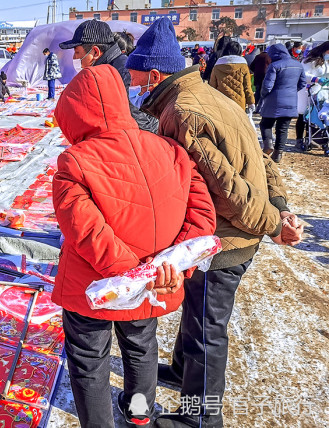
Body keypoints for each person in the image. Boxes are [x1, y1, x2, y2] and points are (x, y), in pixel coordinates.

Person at [125, 18, 304, 427]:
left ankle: (201, 419)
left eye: (136, 79)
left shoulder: (183, 112)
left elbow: (226, 188)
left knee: (207, 330)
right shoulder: (208, 95)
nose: (135, 88)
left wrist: (275, 221)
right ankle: (180, 369)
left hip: (225, 240)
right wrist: (278, 202)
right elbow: (260, 158)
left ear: (155, 75)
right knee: (195, 312)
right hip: (226, 233)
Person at [52, 64, 216, 428]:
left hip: (94, 288)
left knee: (89, 361)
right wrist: (168, 268)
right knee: (141, 346)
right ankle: (140, 414)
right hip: (155, 285)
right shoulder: (171, 150)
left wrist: (137, 275)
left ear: (74, 113)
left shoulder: (75, 161)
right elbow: (203, 216)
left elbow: (87, 233)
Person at [59, 19, 158, 133]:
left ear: (95, 52)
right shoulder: (104, 69)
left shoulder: (122, 72)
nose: (74, 58)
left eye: (77, 53)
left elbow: (135, 115)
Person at [259, 44, 306, 163]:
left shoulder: (274, 66)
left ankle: (268, 144)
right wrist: (291, 92)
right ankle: (278, 153)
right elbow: (302, 83)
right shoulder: (298, 65)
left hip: (273, 101)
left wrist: (263, 95)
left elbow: (267, 86)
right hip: (291, 101)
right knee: (283, 128)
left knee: (266, 124)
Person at [296, 41, 329, 153]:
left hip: (318, 91)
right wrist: (316, 79)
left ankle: (310, 138)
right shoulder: (308, 60)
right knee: (302, 114)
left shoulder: (325, 61)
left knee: (313, 115)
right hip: (306, 90)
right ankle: (299, 139)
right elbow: (303, 74)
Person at [209, 41, 255, 111]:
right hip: (239, 104)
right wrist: (251, 102)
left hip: (221, 103)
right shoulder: (243, 66)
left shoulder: (217, 66)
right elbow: (247, 87)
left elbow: (212, 86)